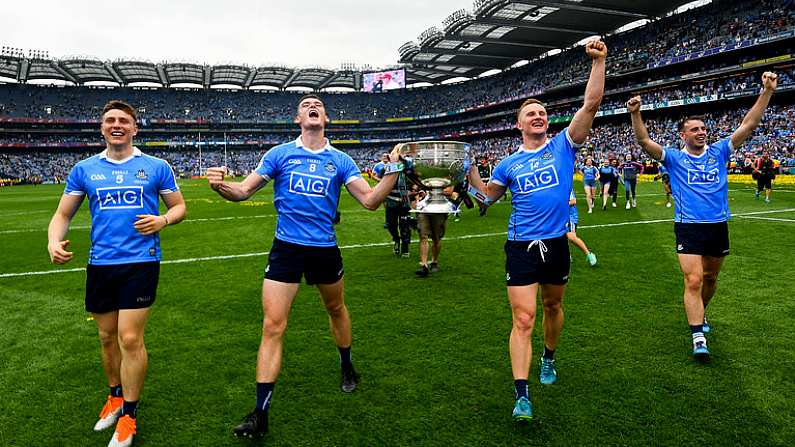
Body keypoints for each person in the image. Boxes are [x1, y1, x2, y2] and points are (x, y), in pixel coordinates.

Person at [206, 94, 402, 438]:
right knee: (272, 326)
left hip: (324, 249)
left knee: (336, 308)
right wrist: (219, 184)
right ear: (299, 119)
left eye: (319, 105)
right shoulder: (280, 154)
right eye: (306, 105)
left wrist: (396, 171)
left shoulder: (340, 160)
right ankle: (259, 413)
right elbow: (242, 192)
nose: (313, 107)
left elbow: (370, 201)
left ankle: (346, 366)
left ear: (326, 118)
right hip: (287, 249)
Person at [467, 38, 607, 422]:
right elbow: (485, 201)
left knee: (553, 306)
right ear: (519, 123)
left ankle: (549, 357)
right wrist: (466, 174)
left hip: (556, 243)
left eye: (542, 111)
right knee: (524, 318)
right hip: (521, 247)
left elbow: (591, 104)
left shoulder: (563, 145)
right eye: (531, 113)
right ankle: (522, 394)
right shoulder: (508, 163)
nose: (538, 115)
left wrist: (599, 62)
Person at [47, 100, 186, 447]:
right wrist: (53, 241)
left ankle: (129, 417)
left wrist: (163, 220)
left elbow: (179, 206)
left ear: (135, 128)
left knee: (129, 338)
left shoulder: (155, 167)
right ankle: (114, 396)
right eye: (110, 120)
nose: (116, 125)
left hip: (141, 262)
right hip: (101, 264)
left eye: (124, 120)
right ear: (102, 128)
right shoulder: (84, 169)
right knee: (107, 338)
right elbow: (62, 214)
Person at [627, 71, 778, 363]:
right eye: (694, 129)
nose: (701, 131)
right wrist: (636, 113)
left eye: (703, 128)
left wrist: (767, 91)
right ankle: (698, 336)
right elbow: (645, 142)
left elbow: (750, 123)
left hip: (717, 225)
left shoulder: (720, 151)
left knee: (710, 278)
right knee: (693, 280)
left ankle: (701, 310)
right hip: (688, 227)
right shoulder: (673, 157)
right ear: (683, 135)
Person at [566, 189, 597, 266]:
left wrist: (559, 205)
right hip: (561, 216)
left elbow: (573, 201)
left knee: (571, 237)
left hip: (570, 216)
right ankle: (566, 256)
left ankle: (589, 254)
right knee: (561, 237)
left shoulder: (566, 186)